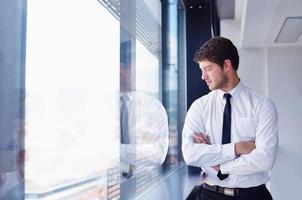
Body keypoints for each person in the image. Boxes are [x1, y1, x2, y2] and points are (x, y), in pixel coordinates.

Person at [182, 37, 278, 200]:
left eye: (208, 69)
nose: (203, 76)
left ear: (227, 65)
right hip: (210, 195)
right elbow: (190, 154)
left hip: (254, 196)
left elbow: (265, 159)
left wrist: (221, 166)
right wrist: (237, 148)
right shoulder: (200, 107)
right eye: (201, 70)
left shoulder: (262, 105)